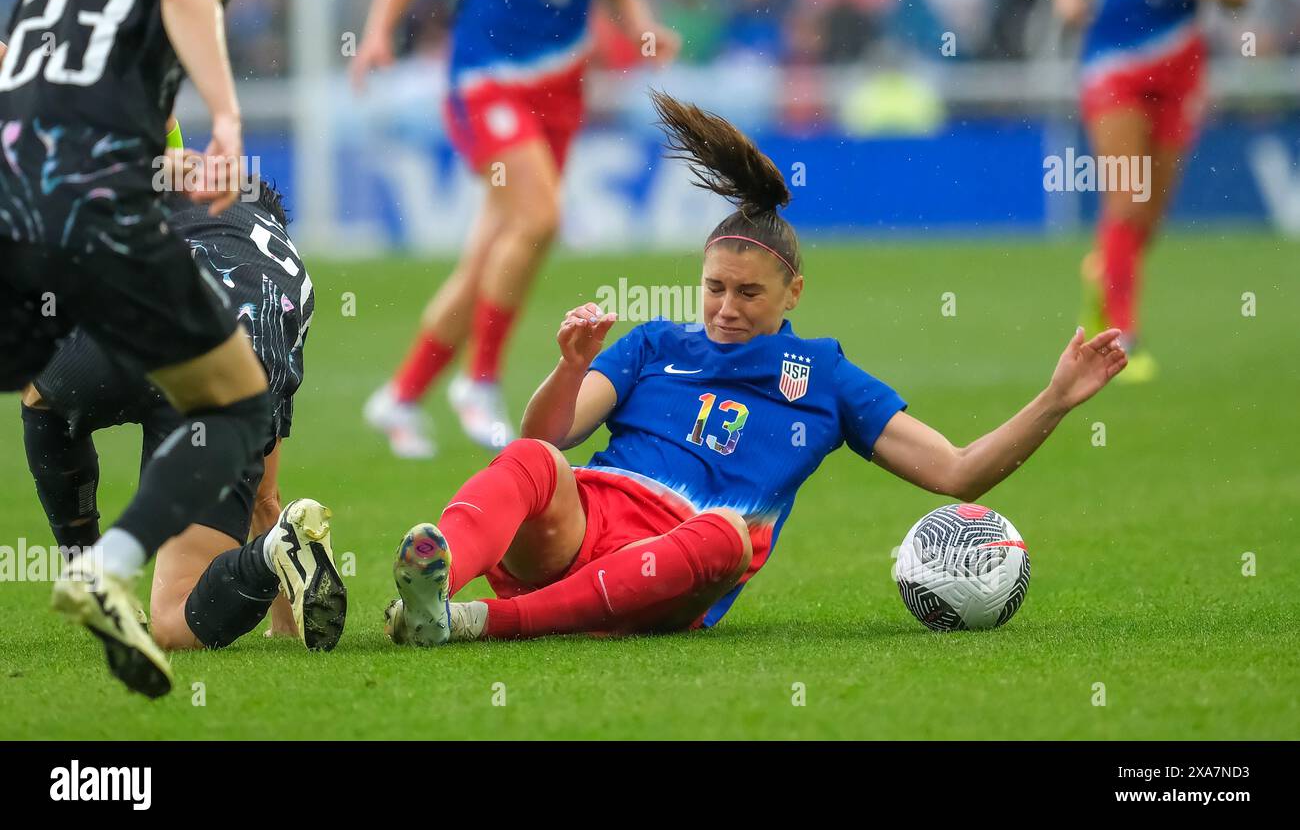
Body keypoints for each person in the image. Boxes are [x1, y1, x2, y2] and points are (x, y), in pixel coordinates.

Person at [382, 92, 1129, 645]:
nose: (726, 308)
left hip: (675, 570)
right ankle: (434, 588)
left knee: (727, 539)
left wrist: (1056, 399)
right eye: (714, 289)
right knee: (529, 457)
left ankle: (479, 623)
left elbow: (958, 473)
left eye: (748, 293)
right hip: (581, 529)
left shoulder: (824, 378)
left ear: (792, 294)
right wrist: (569, 371)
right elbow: (552, 436)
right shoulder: (653, 345)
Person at [0, 0, 271, 697]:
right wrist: (226, 121)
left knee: (46, 394)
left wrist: (161, 163)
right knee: (236, 403)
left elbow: (34, 79)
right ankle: (104, 568)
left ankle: (88, 563)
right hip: (100, 216)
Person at [351, 0, 678, 458]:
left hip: (560, 90)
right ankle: (479, 381)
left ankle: (401, 395)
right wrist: (378, 31)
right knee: (540, 218)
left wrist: (644, 29)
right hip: (484, 81)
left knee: (491, 253)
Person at [22, 177, 346, 654]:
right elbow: (266, 495)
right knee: (176, 625)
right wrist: (285, 616)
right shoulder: (292, 276)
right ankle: (274, 554)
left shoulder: (169, 197)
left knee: (39, 397)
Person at [1052, 0, 1246, 382]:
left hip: (1181, 69)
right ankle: (1122, 338)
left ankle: (1104, 275)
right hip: (1113, 66)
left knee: (1150, 221)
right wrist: (1069, 0)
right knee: (1128, 198)